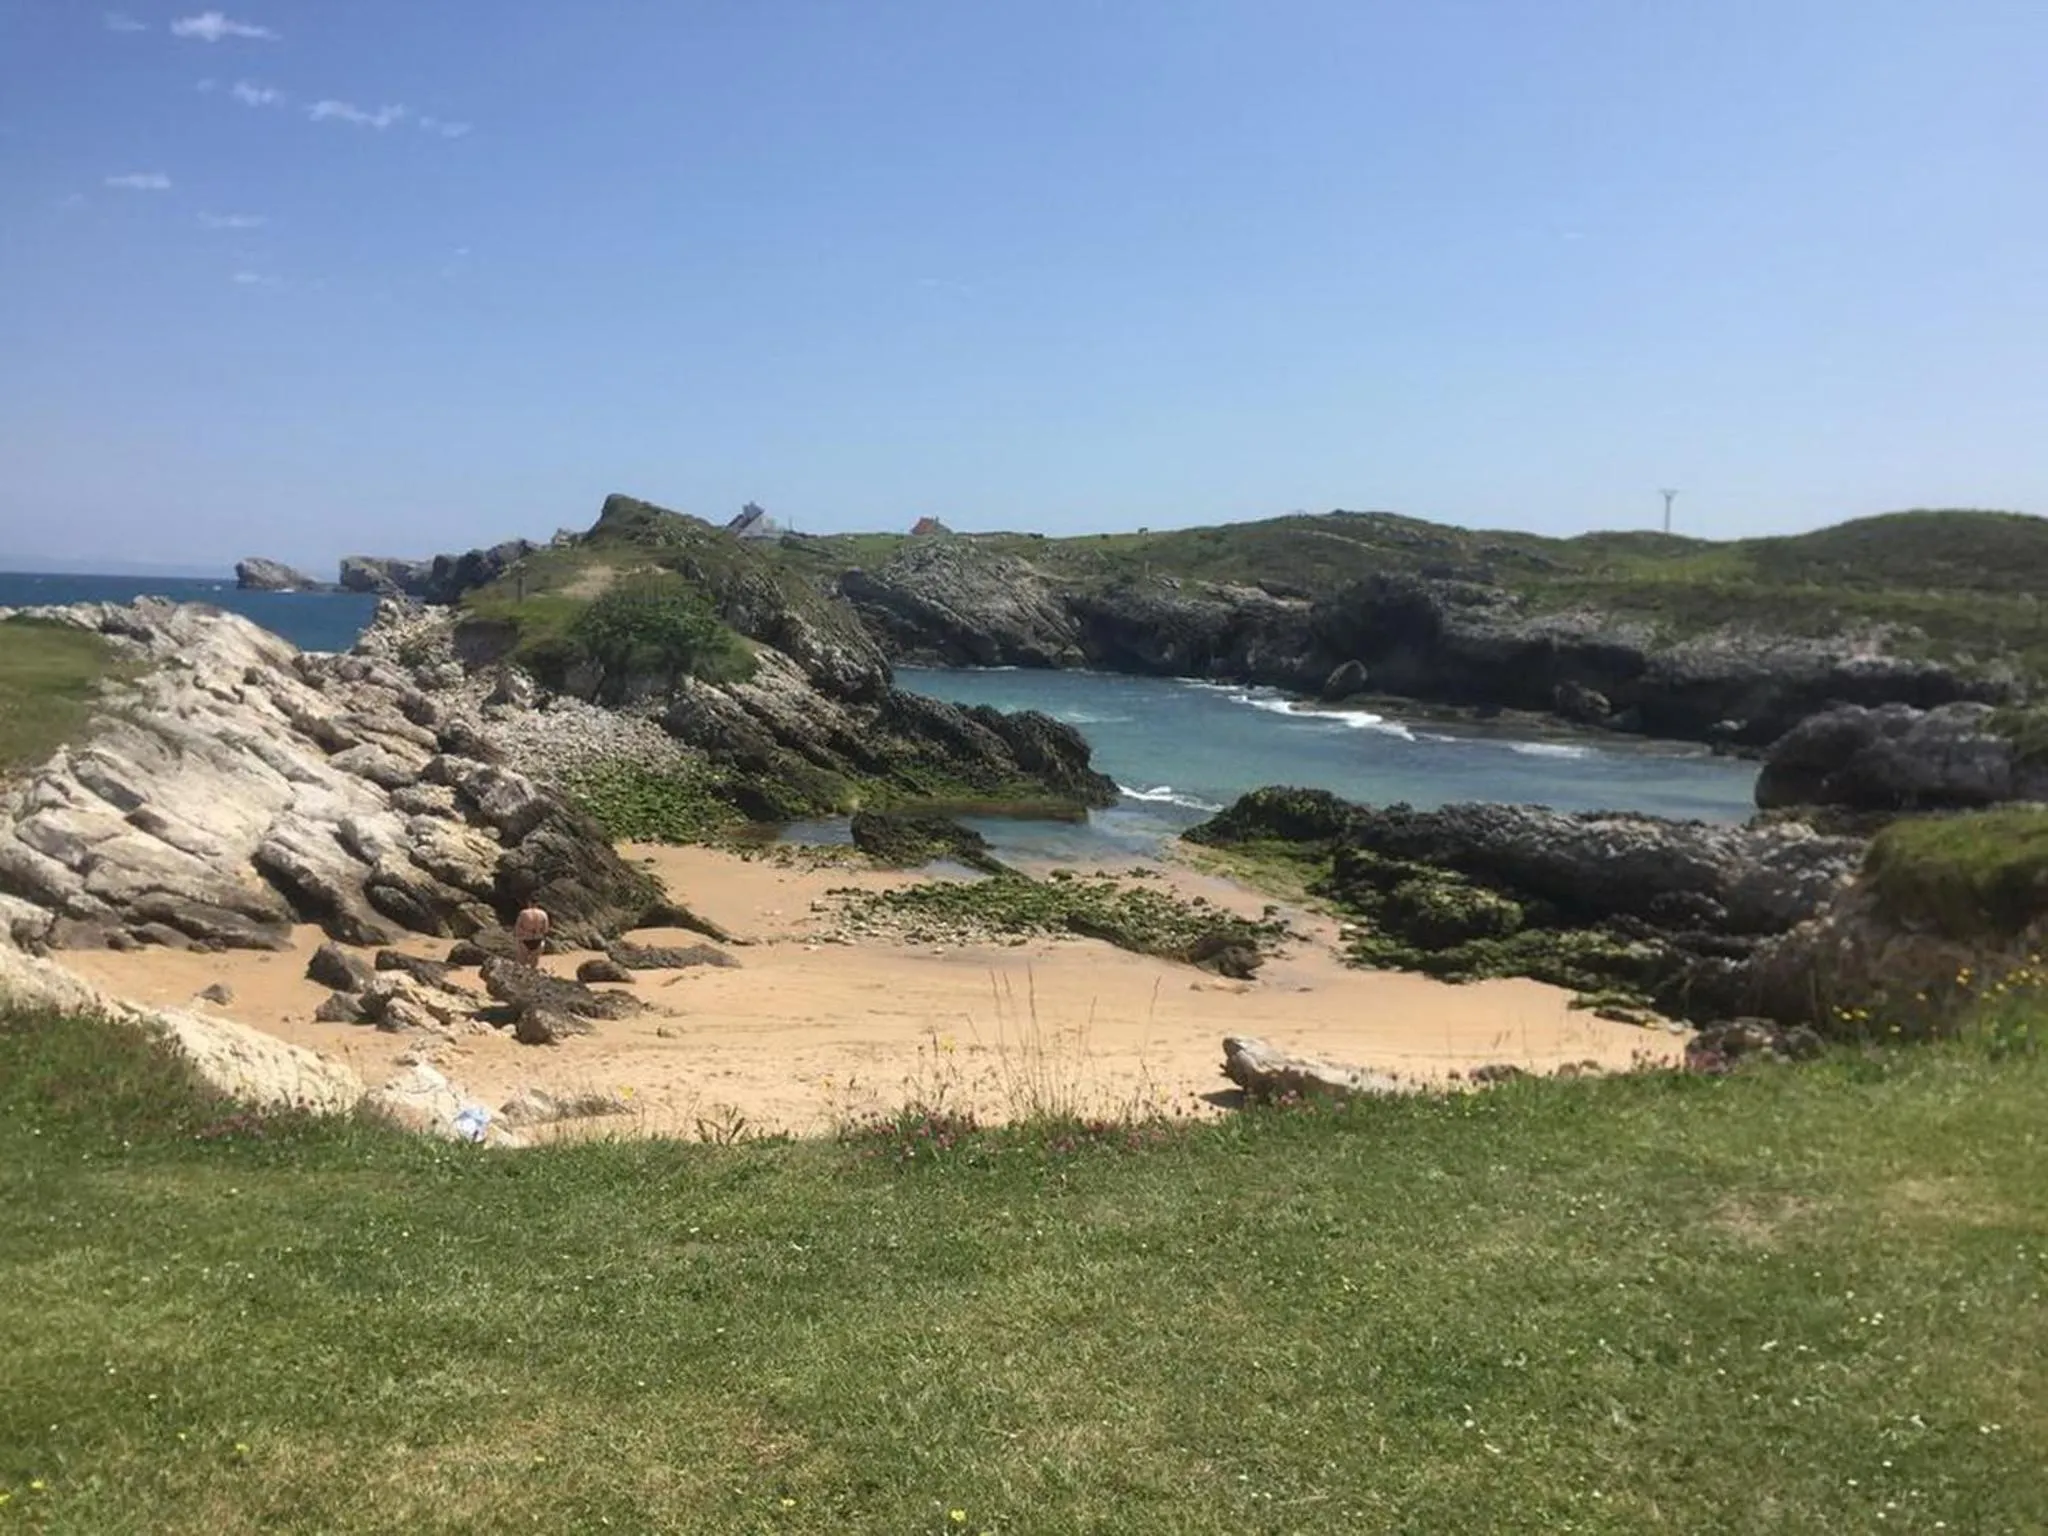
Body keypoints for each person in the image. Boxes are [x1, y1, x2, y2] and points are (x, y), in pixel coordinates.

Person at [513, 899, 551, 968]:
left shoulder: (523, 913)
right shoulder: (543, 914)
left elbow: (517, 928)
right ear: (537, 904)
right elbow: (546, 930)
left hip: (525, 940)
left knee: (521, 965)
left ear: (529, 903)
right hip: (538, 940)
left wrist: (518, 937)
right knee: (534, 965)